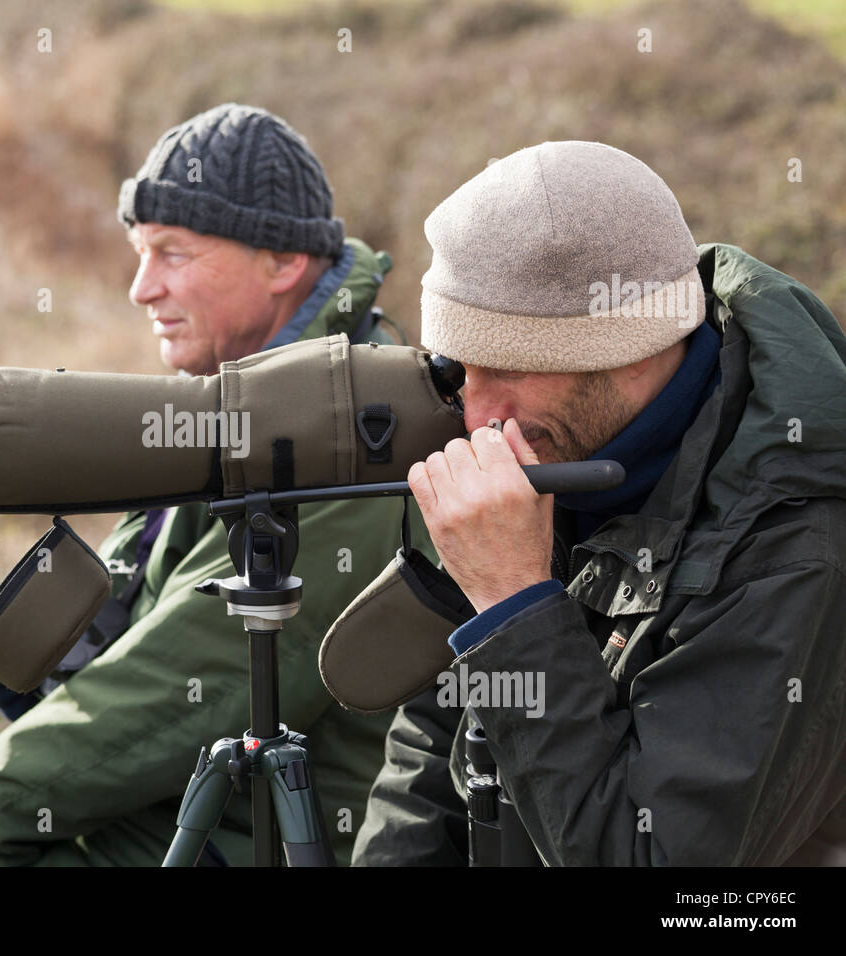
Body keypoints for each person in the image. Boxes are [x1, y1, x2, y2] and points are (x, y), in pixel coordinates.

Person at [0, 103, 429, 866]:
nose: (141, 288)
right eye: (138, 252)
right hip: (148, 811)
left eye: (172, 253)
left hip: (227, 837)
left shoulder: (353, 433)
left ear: (282, 262)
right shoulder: (242, 403)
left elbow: (169, 694)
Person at [353, 140, 846, 866]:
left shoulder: (797, 539)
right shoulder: (550, 449)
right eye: (459, 370)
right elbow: (431, 754)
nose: (477, 416)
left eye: (512, 367)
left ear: (638, 347)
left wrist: (514, 603)